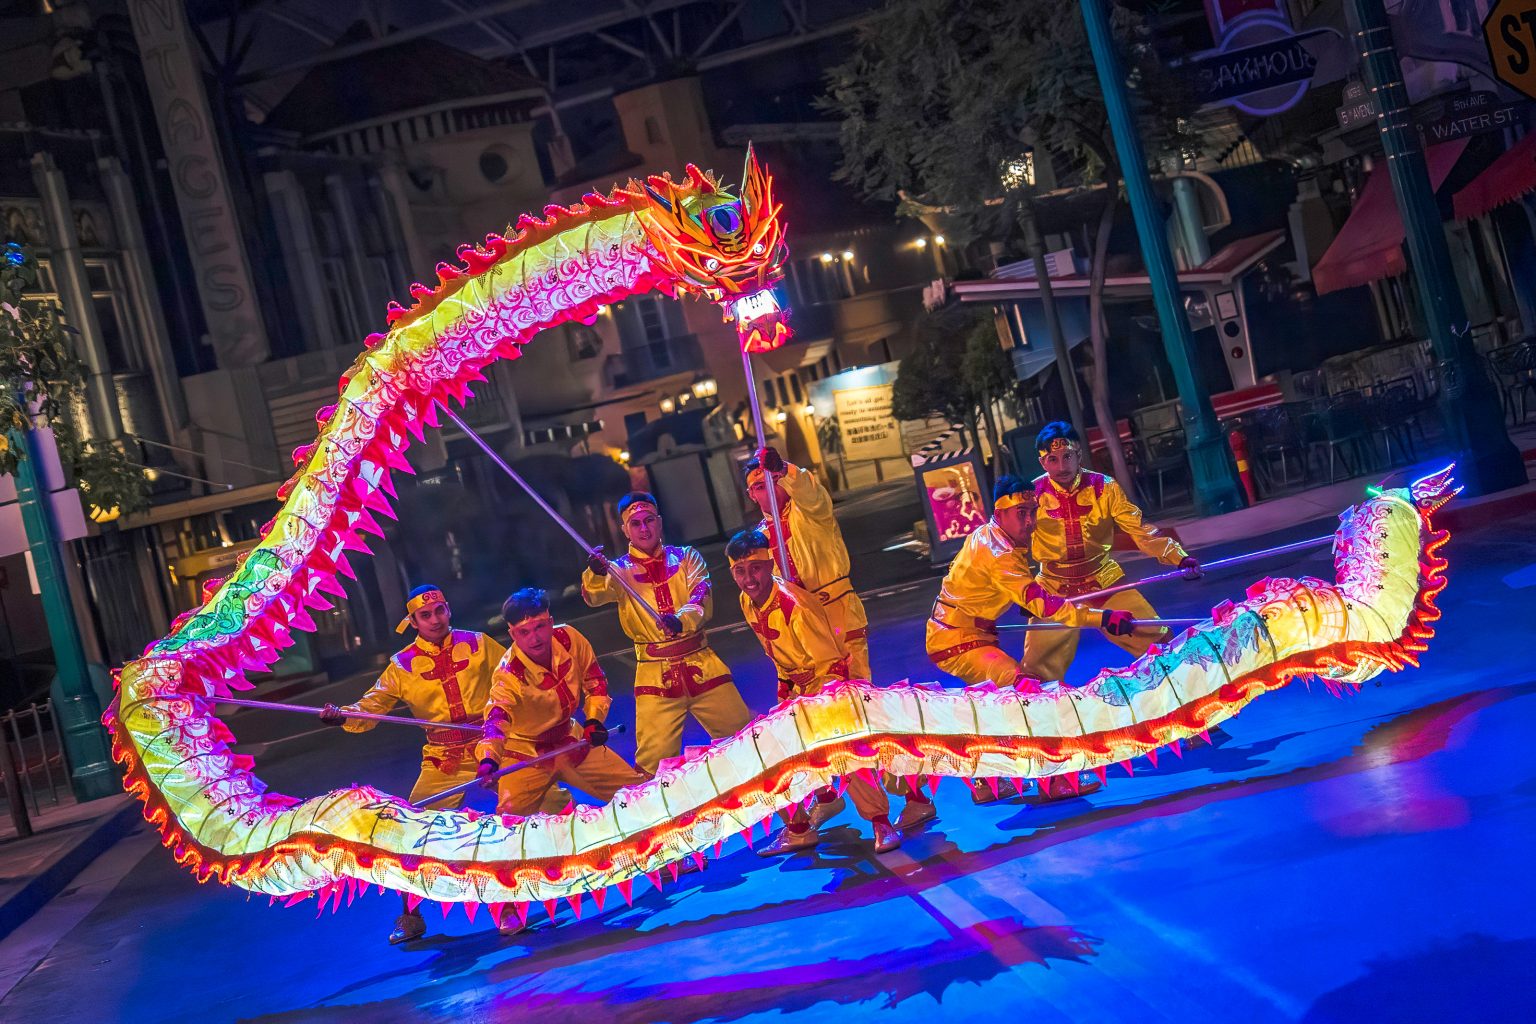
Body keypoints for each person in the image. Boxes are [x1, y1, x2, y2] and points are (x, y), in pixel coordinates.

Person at [319, 585, 511, 944]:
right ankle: (411, 915)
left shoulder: (480, 644)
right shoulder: (401, 665)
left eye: (439, 611)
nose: (435, 619)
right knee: (414, 836)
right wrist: (343, 715)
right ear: (413, 621)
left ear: (448, 610)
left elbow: (514, 678)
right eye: (425, 615)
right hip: (443, 759)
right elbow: (371, 707)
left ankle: (525, 897)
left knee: (528, 810)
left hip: (493, 747)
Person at [926, 478, 1136, 803]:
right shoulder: (1000, 553)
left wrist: (1024, 599)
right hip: (958, 641)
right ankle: (1054, 779)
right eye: (1021, 513)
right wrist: (1102, 618)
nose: (1030, 522)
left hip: (964, 633)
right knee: (1027, 689)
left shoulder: (990, 535)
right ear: (1000, 513)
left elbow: (994, 589)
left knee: (994, 704)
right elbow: (1046, 606)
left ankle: (986, 781)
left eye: (1032, 512)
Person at [727, 530, 933, 856]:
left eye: (756, 568)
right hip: (798, 690)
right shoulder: (747, 602)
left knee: (847, 748)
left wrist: (821, 708)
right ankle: (804, 822)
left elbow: (829, 663)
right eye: (740, 571)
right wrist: (787, 693)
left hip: (829, 684)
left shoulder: (794, 605)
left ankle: (882, 820)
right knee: (776, 751)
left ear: (770, 565)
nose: (749, 579)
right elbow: (778, 656)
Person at [475, 588, 649, 931]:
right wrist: (489, 760)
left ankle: (670, 853)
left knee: (637, 792)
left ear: (551, 622)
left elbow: (595, 682)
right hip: (525, 754)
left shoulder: (569, 638)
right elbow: (496, 719)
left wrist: (595, 721)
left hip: (571, 740)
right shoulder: (507, 673)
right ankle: (507, 907)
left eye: (540, 627)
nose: (535, 638)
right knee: (508, 828)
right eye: (524, 632)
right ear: (512, 634)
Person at [582, 492, 753, 773]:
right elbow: (593, 596)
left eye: (649, 520)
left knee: (747, 739)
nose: (644, 528)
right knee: (653, 763)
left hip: (703, 665)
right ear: (625, 530)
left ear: (659, 522)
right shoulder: (618, 571)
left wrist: (680, 620)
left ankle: (781, 801)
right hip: (655, 677)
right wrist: (596, 573)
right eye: (636, 523)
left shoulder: (687, 558)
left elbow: (701, 594)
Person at [1023, 421, 1201, 683]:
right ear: (1042, 463)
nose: (1061, 467)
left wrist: (1178, 557)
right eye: (1053, 459)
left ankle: (1188, 702)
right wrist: (1023, 592)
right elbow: (1010, 546)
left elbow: (1138, 529)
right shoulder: (1030, 496)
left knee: (1162, 646)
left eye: (1067, 456)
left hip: (1103, 579)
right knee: (1034, 674)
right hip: (1053, 589)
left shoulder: (1104, 487)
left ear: (1079, 455)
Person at [745, 446, 871, 679]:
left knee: (854, 689)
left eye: (775, 482)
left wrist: (783, 469)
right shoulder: (758, 540)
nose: (770, 490)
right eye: (761, 487)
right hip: (799, 629)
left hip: (837, 615)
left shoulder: (810, 511)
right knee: (813, 695)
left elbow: (809, 491)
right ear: (751, 495)